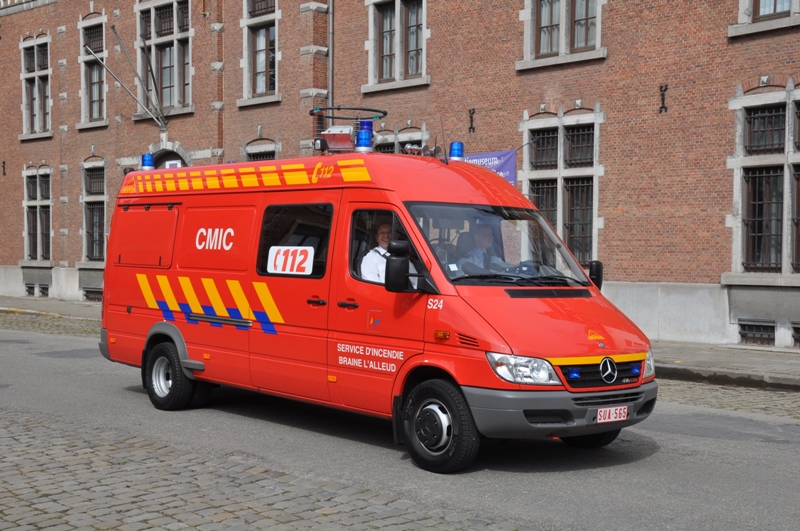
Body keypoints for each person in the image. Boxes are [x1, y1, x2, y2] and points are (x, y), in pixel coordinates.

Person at [360, 222, 418, 287]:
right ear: (377, 238)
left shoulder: (403, 257)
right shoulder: (370, 257)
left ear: (396, 236)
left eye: (390, 232)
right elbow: (372, 286)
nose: (386, 235)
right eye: (382, 232)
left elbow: (416, 282)